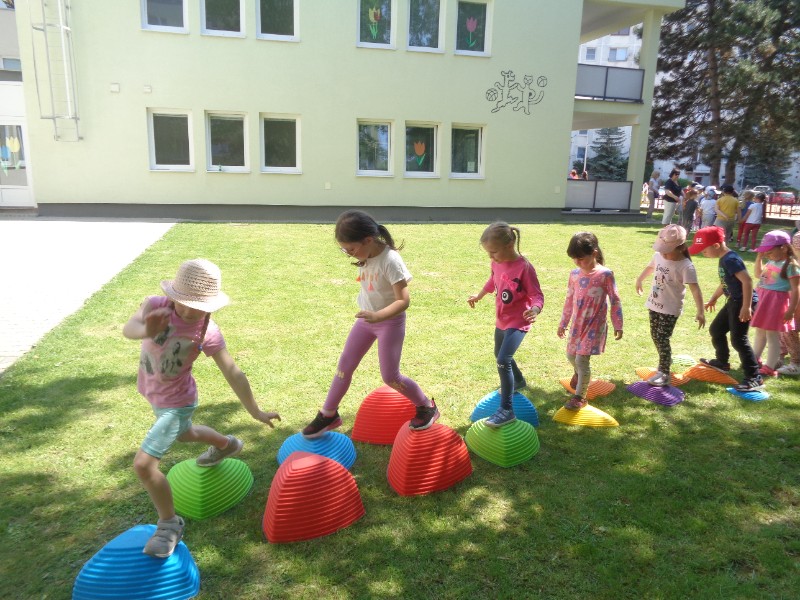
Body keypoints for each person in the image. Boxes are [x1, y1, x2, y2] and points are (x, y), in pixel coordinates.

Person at [123, 259, 281, 558]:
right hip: (155, 395)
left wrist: (255, 411)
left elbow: (232, 372)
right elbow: (128, 329)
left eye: (197, 306)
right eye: (183, 302)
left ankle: (169, 524)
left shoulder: (207, 330)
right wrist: (145, 329)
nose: (187, 311)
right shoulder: (156, 305)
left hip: (178, 402)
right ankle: (226, 444)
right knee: (185, 434)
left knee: (144, 465)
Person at [301, 210, 438, 439]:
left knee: (390, 376)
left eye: (351, 249)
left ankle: (426, 406)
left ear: (367, 240)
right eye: (345, 250)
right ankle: (328, 414)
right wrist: (371, 316)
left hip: (389, 322)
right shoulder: (366, 254)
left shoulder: (390, 260)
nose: (349, 254)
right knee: (344, 366)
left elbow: (403, 300)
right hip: (367, 321)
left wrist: (379, 316)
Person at [467, 222, 544, 427]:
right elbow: (493, 280)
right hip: (502, 319)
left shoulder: (524, 268)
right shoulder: (496, 263)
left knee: (503, 359)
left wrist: (535, 309)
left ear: (509, 245)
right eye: (488, 253)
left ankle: (507, 410)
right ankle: (518, 380)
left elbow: (537, 294)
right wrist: (479, 295)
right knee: (498, 353)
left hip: (519, 321)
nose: (491, 257)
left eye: (493, 252)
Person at [688, 227, 763, 391]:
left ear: (716, 245)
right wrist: (714, 298)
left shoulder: (731, 259)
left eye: (704, 250)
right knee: (716, 330)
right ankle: (722, 362)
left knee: (739, 340)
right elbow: (725, 282)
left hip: (742, 302)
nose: (702, 253)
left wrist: (746, 306)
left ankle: (754, 377)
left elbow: (747, 281)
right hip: (733, 301)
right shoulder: (723, 258)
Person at [557, 232, 623, 410]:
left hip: (595, 324)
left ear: (594, 253)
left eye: (581, 258)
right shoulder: (574, 274)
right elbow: (569, 300)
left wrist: (618, 323)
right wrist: (563, 323)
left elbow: (615, 300)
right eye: (574, 258)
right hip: (577, 324)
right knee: (571, 355)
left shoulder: (605, 274)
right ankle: (579, 374)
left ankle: (580, 397)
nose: (577, 262)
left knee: (581, 360)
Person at [635, 225, 705, 385]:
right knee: (655, 335)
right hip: (654, 304)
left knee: (662, 338)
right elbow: (650, 267)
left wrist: (700, 311)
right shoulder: (659, 256)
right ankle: (665, 359)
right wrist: (639, 279)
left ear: (680, 248)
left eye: (667, 251)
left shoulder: (686, 266)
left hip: (670, 309)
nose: (663, 254)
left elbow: (695, 289)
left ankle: (664, 372)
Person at [750, 231, 800, 377]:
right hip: (764, 299)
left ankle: (770, 366)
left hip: (776, 303)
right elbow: (758, 275)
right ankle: (754, 360)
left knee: (772, 335)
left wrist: (791, 310)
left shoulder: (791, 266)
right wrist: (759, 258)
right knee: (760, 332)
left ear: (783, 248)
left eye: (770, 251)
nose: (767, 254)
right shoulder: (772, 261)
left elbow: (795, 290)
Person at [778, 227, 800, 375]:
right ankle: (779, 356)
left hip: (795, 303)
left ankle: (796, 363)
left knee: (788, 330)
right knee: (785, 329)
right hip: (790, 301)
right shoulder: (790, 263)